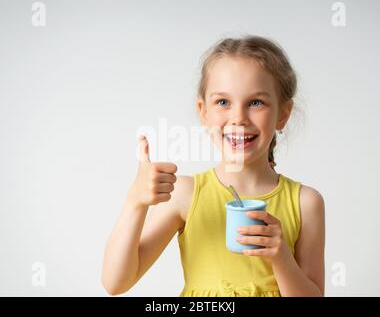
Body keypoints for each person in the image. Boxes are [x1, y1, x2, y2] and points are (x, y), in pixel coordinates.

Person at [101, 35, 325, 297]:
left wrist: (282, 258)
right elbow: (115, 283)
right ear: (203, 111)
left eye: (256, 102)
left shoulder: (305, 203)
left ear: (282, 114)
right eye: (223, 102)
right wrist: (135, 201)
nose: (238, 118)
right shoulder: (184, 194)